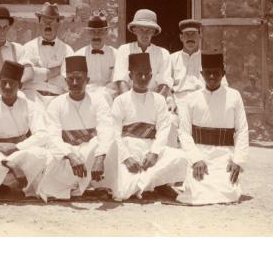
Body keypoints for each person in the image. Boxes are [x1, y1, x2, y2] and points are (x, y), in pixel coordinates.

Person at [0, 60, 53, 199]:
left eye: (12, 83)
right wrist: (7, 161)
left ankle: (20, 187)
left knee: (40, 155)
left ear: (19, 85)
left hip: (20, 152)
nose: (7, 87)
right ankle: (1, 187)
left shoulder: (29, 105)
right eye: (3, 82)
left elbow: (42, 134)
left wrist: (17, 147)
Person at [107, 53, 187, 201]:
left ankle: (147, 183)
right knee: (122, 193)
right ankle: (151, 183)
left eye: (147, 75)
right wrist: (126, 158)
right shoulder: (120, 100)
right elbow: (114, 133)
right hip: (128, 148)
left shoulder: (159, 100)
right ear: (130, 75)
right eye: (139, 74)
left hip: (150, 149)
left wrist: (154, 153)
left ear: (151, 76)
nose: (143, 78)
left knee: (183, 158)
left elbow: (163, 129)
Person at [176, 52, 248, 205]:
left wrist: (238, 160)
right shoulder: (191, 98)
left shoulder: (234, 96)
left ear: (223, 73)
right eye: (208, 73)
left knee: (229, 193)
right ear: (202, 74)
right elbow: (184, 132)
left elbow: (242, 130)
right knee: (195, 192)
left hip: (224, 156)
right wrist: (195, 159)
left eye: (216, 72)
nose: (212, 77)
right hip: (200, 155)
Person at [39, 55, 115, 200]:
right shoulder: (56, 104)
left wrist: (99, 158)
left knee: (110, 143)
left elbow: (106, 129)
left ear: (87, 80)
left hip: (92, 153)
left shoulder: (99, 101)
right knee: (50, 179)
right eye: (70, 79)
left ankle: (100, 185)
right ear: (65, 81)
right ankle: (75, 187)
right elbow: (53, 136)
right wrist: (71, 155)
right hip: (68, 156)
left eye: (79, 79)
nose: (74, 83)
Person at [22, 2, 74, 106]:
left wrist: (37, 72)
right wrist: (55, 71)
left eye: (52, 22)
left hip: (57, 98)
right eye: (45, 22)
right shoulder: (27, 48)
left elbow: (67, 82)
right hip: (33, 97)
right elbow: (26, 77)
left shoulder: (67, 50)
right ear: (39, 23)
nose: (48, 25)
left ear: (58, 24)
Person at [113, 9, 172, 98]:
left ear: (153, 31)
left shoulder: (163, 53)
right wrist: (128, 104)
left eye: (149, 30)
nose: (145, 34)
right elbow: (121, 80)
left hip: (154, 99)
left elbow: (164, 83)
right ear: (134, 30)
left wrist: (156, 104)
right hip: (129, 98)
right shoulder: (124, 50)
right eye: (141, 29)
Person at [63, 11, 117, 105]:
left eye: (100, 31)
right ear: (88, 33)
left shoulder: (115, 54)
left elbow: (116, 82)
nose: (96, 36)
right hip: (84, 96)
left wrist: (103, 94)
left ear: (106, 32)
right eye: (93, 32)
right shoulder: (78, 56)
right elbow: (69, 81)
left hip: (108, 97)